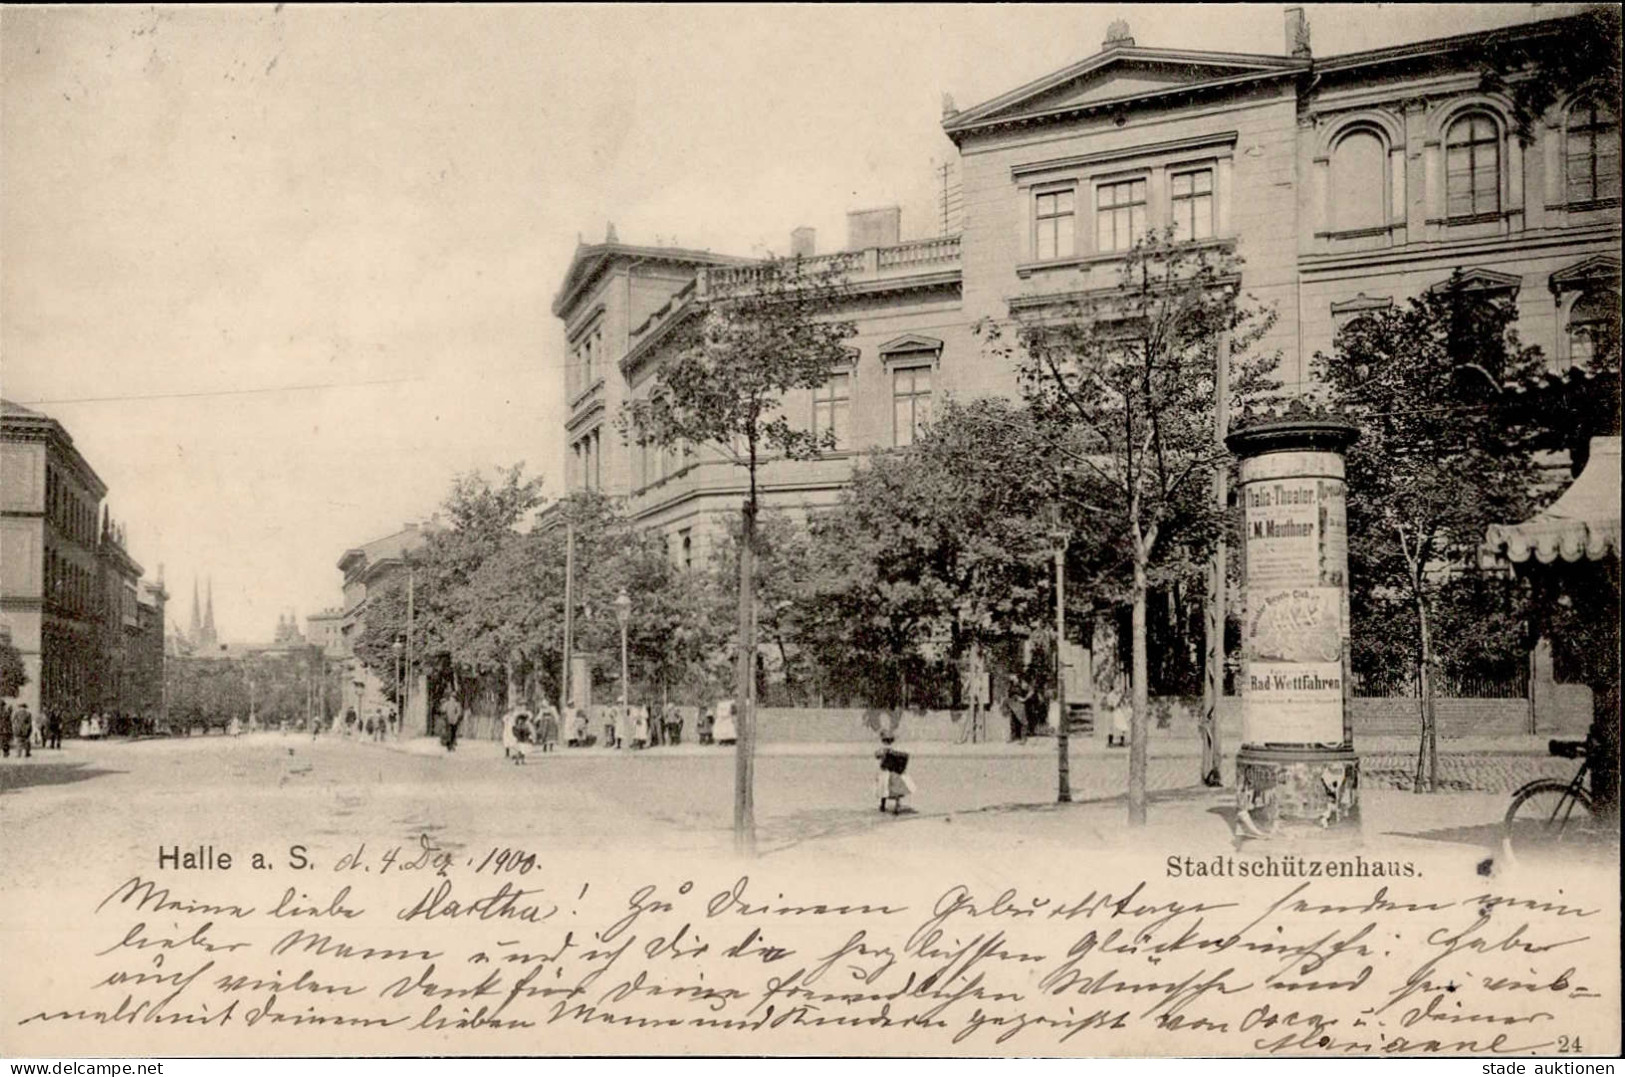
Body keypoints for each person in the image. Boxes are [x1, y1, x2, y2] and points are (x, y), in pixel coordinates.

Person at [875, 734, 915, 813]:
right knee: (892, 789)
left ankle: (885, 806)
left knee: (886, 789)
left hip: (888, 772)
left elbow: (877, 756)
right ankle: (894, 805)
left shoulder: (886, 750)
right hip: (892, 772)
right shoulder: (895, 749)